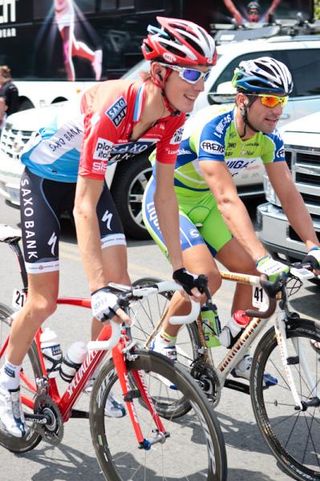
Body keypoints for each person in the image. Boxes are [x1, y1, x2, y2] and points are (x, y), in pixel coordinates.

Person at [0, 16, 216, 438]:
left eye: (205, 74)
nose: (200, 84)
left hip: (89, 183)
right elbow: (83, 207)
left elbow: (164, 195)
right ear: (160, 71)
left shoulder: (173, 116)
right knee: (46, 302)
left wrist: (178, 267)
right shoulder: (117, 108)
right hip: (47, 182)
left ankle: (81, 365)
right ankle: (7, 381)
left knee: (122, 287)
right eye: (192, 73)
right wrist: (95, 287)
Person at [143, 56, 320, 377]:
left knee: (250, 270)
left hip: (204, 203)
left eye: (281, 100)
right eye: (268, 99)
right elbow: (227, 198)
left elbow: (288, 194)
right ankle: (162, 340)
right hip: (169, 202)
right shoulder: (213, 128)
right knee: (206, 277)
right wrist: (264, 255)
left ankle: (236, 350)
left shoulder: (269, 138)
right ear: (242, 99)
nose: (277, 109)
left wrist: (313, 245)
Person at [54, 0, 103, 80]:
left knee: (66, 54)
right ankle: (94, 57)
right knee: (74, 48)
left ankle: (71, 85)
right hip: (59, 9)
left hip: (65, 9)